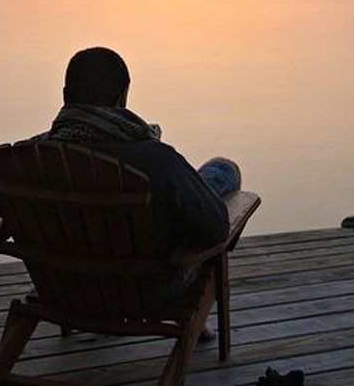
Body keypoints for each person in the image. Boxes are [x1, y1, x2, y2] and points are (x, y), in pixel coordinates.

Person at [32, 46, 241, 312]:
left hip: (63, 286)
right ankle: (196, 317)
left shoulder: (33, 157)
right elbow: (215, 230)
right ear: (123, 97)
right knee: (224, 171)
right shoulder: (155, 160)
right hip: (148, 289)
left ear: (65, 96)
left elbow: (5, 217)